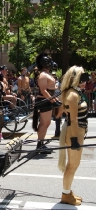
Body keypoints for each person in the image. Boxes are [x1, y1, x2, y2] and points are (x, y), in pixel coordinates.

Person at [57, 66, 89, 205]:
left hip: (77, 130)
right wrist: (75, 139)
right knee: (73, 165)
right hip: (74, 131)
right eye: (81, 77)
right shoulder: (73, 95)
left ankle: (68, 191)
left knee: (73, 164)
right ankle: (65, 194)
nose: (84, 80)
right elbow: (73, 119)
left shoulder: (74, 92)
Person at [32, 52, 61, 154]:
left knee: (46, 123)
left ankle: (41, 144)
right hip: (44, 101)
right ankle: (40, 145)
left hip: (47, 100)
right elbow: (44, 91)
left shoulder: (46, 74)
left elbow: (51, 87)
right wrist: (53, 101)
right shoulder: (43, 75)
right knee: (44, 123)